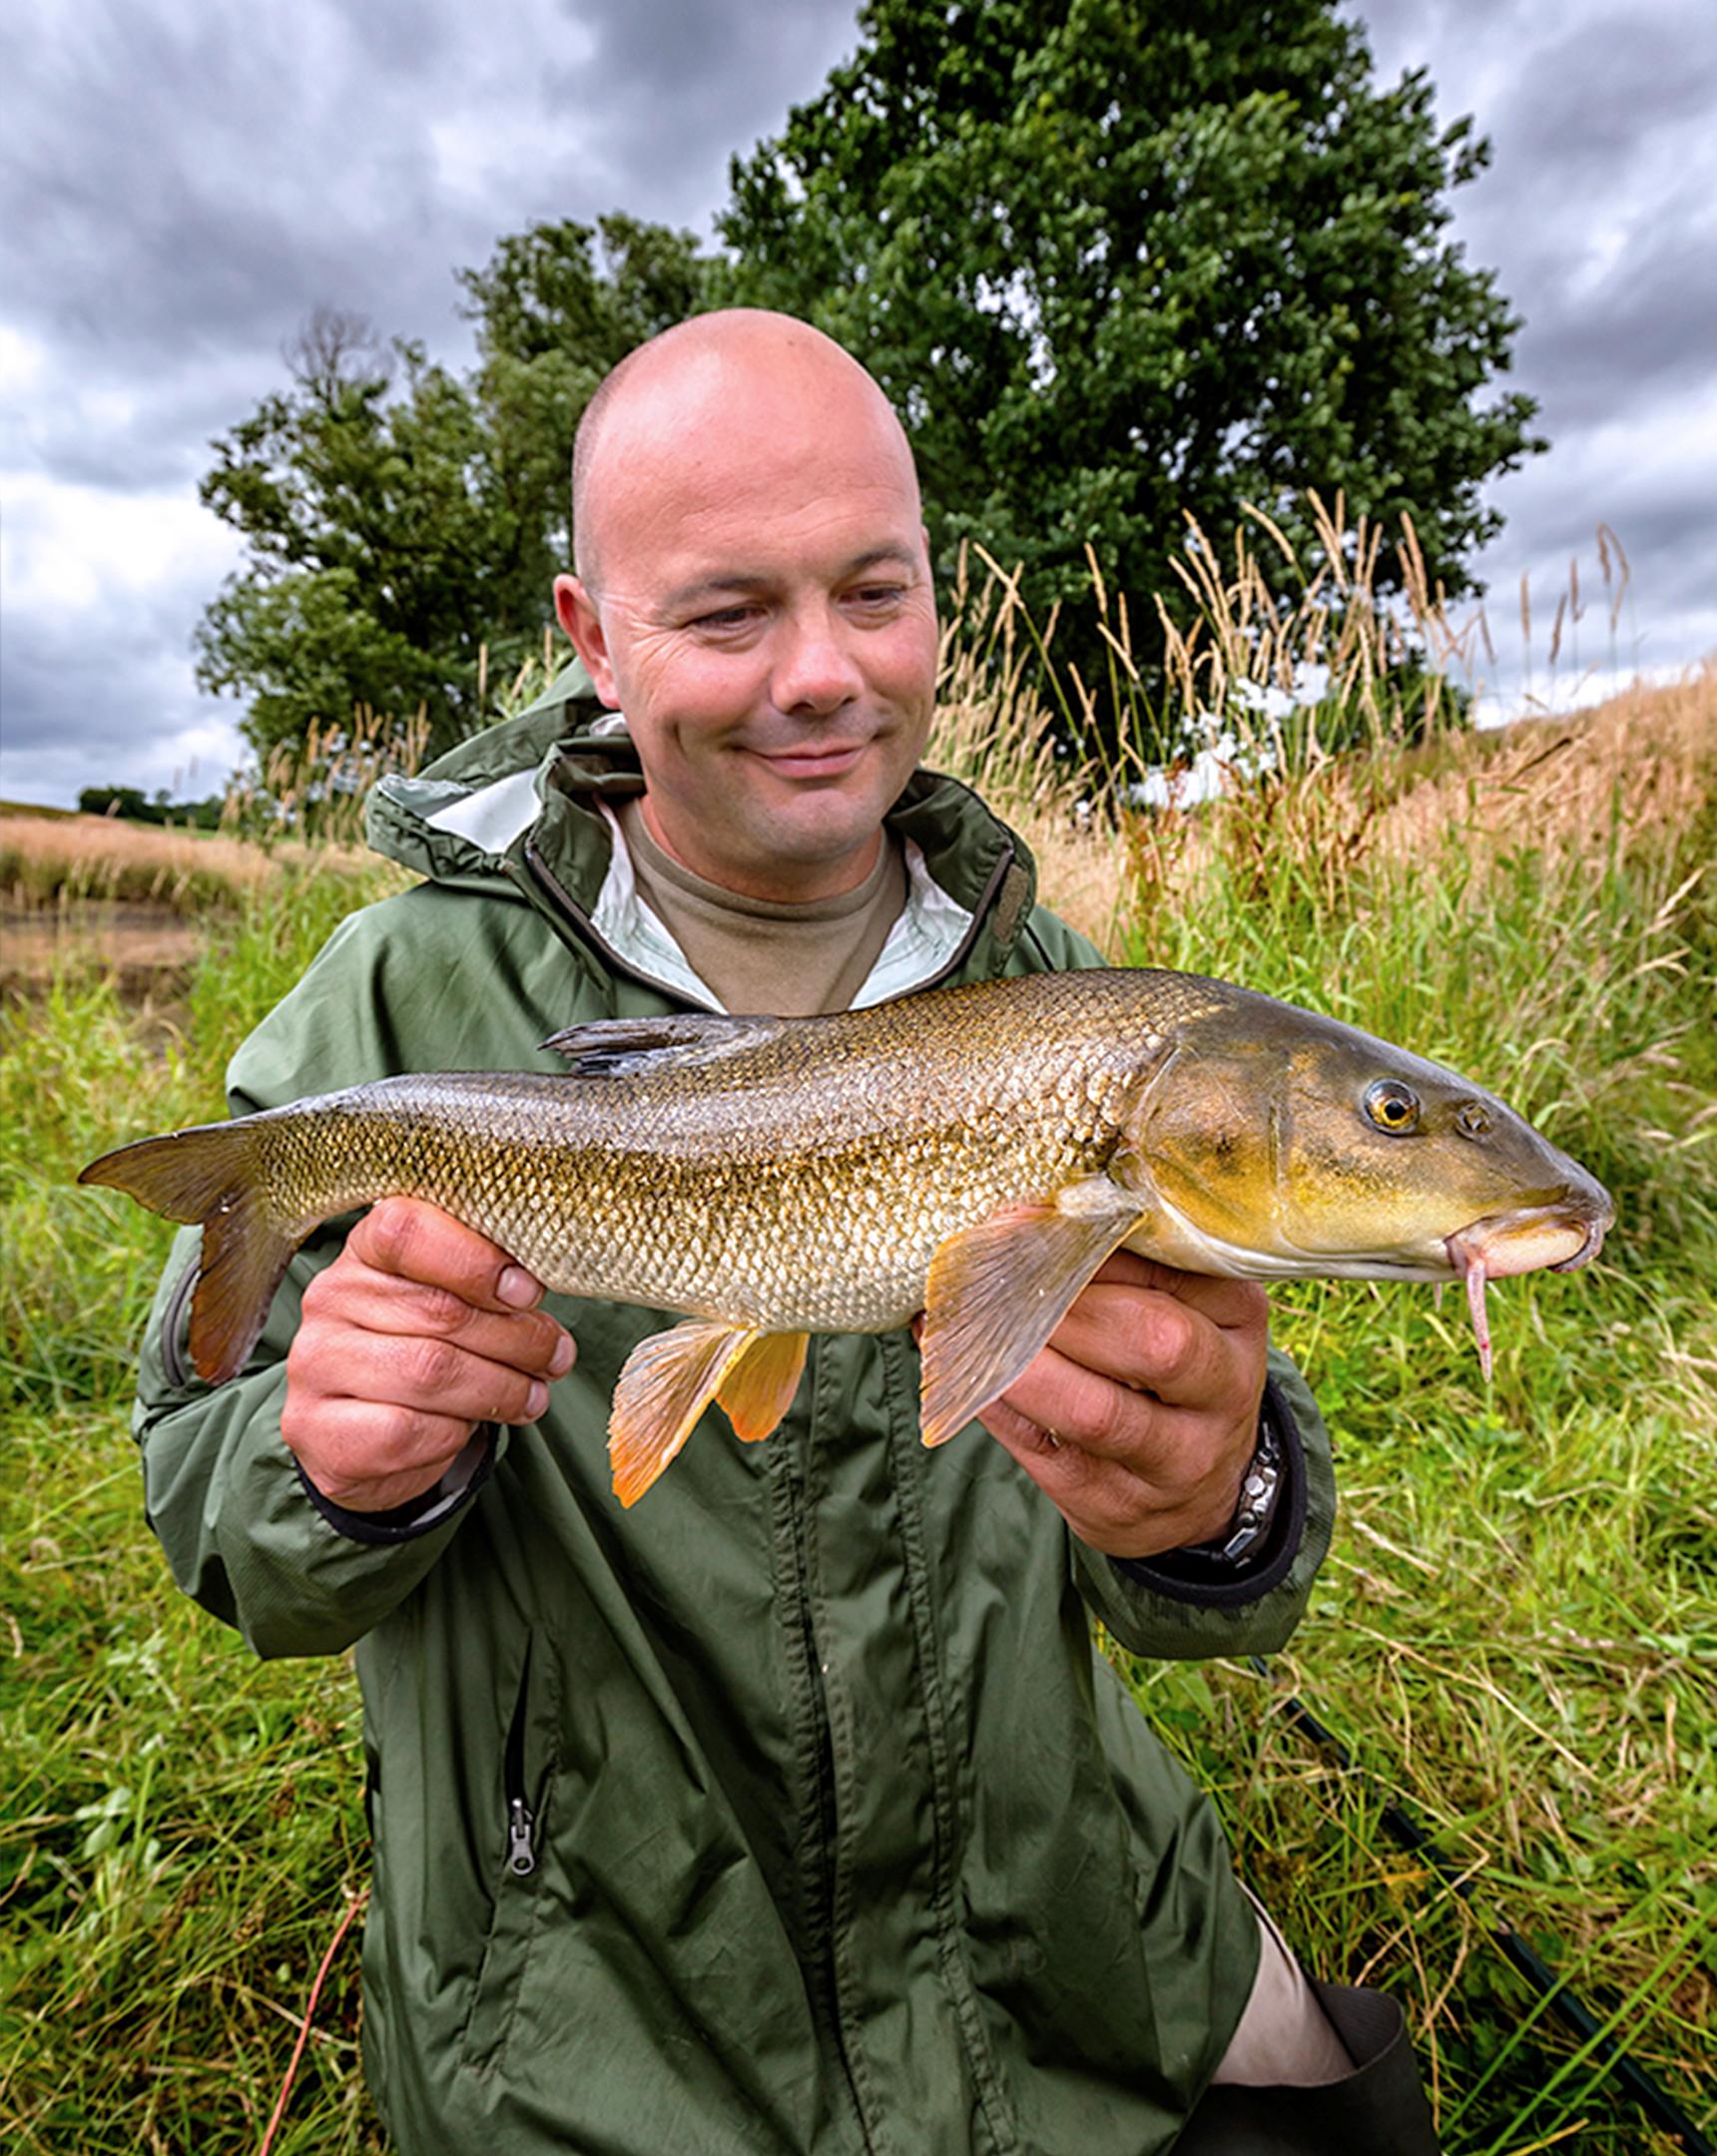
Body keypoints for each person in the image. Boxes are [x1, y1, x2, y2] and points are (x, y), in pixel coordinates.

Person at [131, 310, 1437, 2153]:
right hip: (591, 2055)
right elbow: (197, 1484)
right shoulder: (392, 1010)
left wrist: (1217, 1506)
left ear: (934, 596)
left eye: (874, 592)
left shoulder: (1076, 1004)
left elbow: (1224, 1561)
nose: (820, 673)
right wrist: (333, 1467)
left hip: (1050, 1998)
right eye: (730, 612)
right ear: (594, 638)